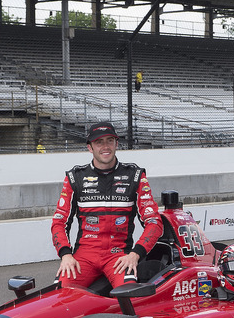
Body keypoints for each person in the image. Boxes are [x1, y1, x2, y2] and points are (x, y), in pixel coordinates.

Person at [52, 121, 163, 289]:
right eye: (99, 142)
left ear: (116, 144)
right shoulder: (75, 177)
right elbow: (59, 222)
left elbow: (154, 223)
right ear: (90, 147)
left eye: (110, 141)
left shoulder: (135, 176)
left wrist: (135, 254)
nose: (105, 146)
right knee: (59, 296)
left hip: (118, 256)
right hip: (84, 256)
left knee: (129, 296)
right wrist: (66, 255)